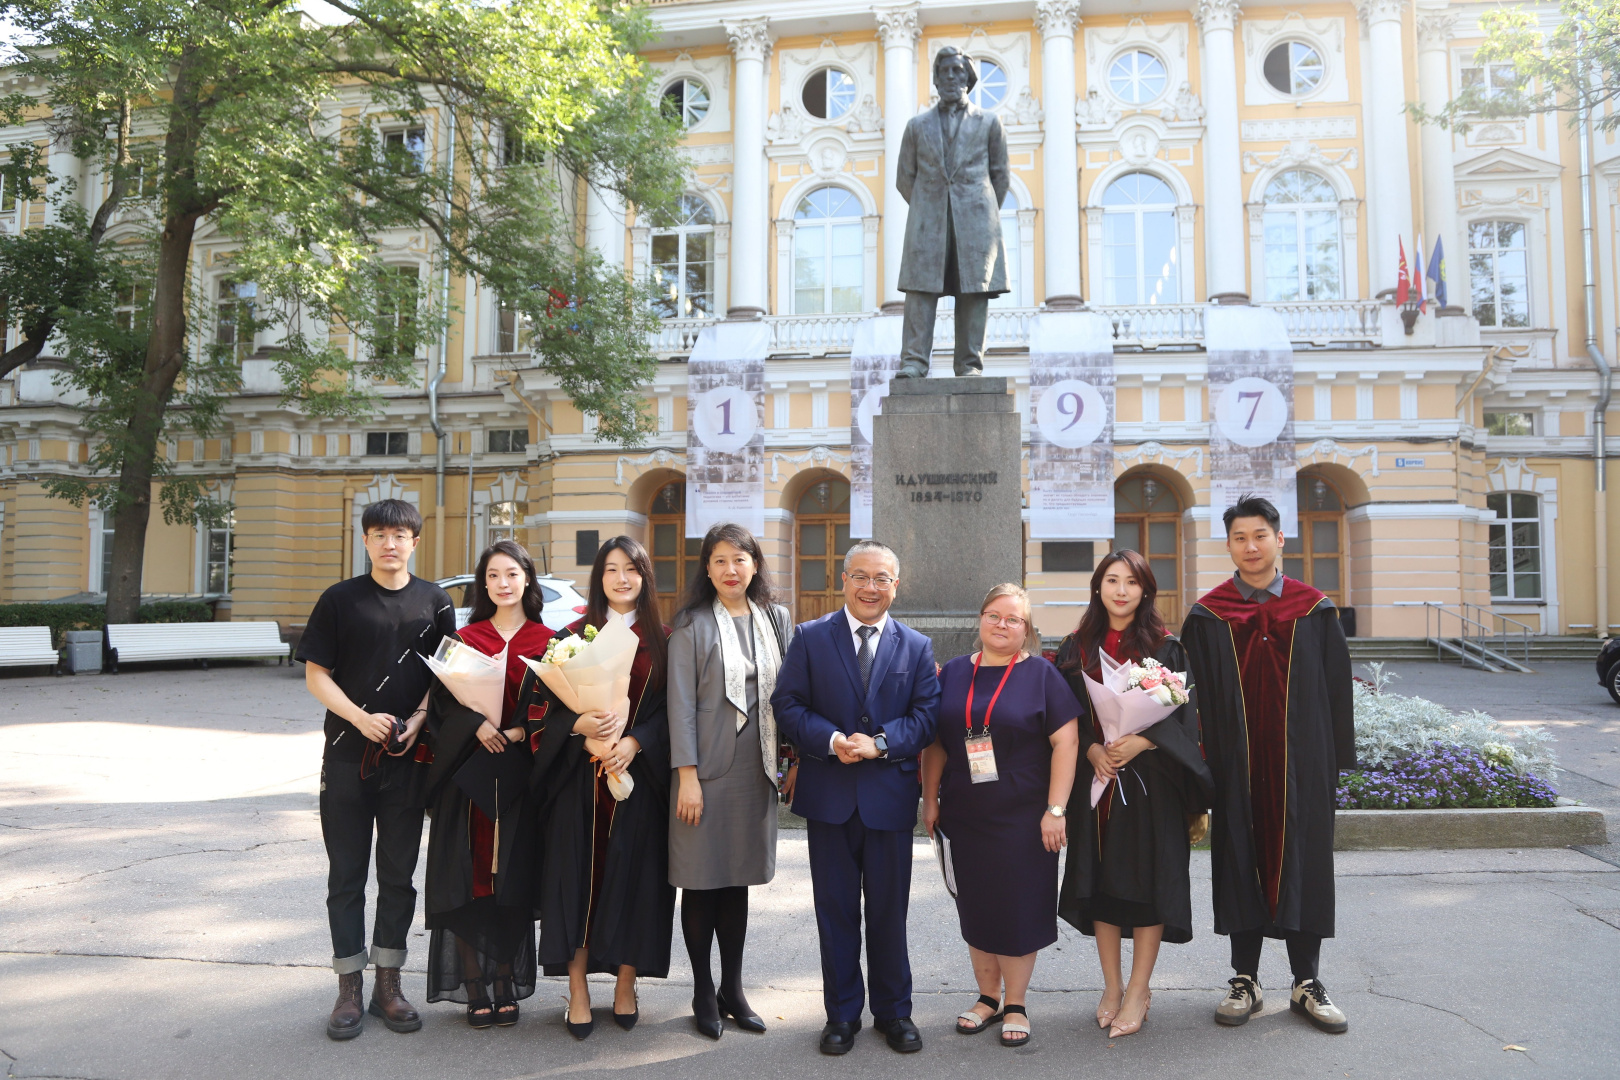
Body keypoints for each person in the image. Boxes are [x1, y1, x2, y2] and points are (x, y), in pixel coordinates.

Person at [1181, 494, 1355, 1034]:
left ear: (1280, 540)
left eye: (1260, 535)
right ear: (1229, 545)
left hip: (1301, 770)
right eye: (1239, 537)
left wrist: (1333, 767)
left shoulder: (1314, 609)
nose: (1250, 546)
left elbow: (1336, 692)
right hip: (1235, 770)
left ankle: (1307, 982)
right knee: (1239, 862)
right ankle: (1245, 979)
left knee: (1304, 864)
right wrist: (1199, 773)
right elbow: (1191, 699)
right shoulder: (1209, 616)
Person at [297, 498, 458, 1040]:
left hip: (407, 762)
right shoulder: (340, 600)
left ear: (416, 541)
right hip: (346, 757)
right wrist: (360, 719)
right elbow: (316, 674)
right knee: (345, 876)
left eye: (400, 535)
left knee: (397, 875)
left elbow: (443, 677)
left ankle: (389, 982)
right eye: (379, 534)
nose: (390, 543)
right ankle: (349, 988)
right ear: (365, 541)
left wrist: (418, 719)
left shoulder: (435, 602)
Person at [772, 540, 941, 1056]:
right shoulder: (810, 637)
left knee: (890, 912)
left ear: (896, 584)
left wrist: (882, 743)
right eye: (861, 576)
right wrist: (830, 739)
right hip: (830, 797)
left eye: (882, 578)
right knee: (836, 912)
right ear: (843, 580)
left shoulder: (916, 646)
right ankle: (841, 1015)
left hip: (888, 799)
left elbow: (927, 715)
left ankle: (894, 1013)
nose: (871, 587)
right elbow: (787, 703)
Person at [1054, 551, 1213, 1039]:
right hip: (1097, 784)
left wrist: (1144, 739)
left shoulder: (1166, 649)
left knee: (1149, 887)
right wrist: (1093, 750)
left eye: (1131, 582)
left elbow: (1186, 715)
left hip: (1153, 787)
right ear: (1098, 586)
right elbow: (1065, 715)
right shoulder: (1076, 648)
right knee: (1100, 883)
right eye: (1111, 580)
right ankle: (1111, 986)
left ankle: (1140, 989)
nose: (1121, 591)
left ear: (1146, 591)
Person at [920, 583, 1080, 1048]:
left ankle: (1016, 1003)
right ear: (980, 619)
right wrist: (929, 800)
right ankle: (987, 997)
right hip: (965, 812)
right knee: (977, 904)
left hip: (1024, 815)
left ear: (1026, 629)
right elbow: (936, 744)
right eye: (994, 615)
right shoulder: (951, 673)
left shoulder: (1042, 675)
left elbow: (1065, 744)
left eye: (1013, 619)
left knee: (1018, 906)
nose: (1002, 625)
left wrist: (1056, 810)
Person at [530, 536, 676, 1039]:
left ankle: (626, 984)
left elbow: (673, 715)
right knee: (574, 884)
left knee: (637, 882)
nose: (621, 578)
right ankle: (577, 990)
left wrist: (635, 742)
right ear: (599, 578)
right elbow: (539, 713)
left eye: (631, 569)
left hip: (639, 783)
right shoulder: (570, 636)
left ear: (644, 577)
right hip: (578, 785)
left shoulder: (664, 640)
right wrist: (578, 728)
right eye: (611, 569)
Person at [667, 522, 792, 1040]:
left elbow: (790, 693)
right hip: (704, 772)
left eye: (739, 559)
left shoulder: (777, 619)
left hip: (755, 768)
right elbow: (681, 708)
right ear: (708, 568)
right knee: (701, 881)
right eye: (719, 560)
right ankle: (701, 988)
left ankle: (733, 988)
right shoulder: (691, 625)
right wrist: (688, 779)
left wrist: (792, 759)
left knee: (735, 881)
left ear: (755, 565)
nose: (730, 570)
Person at [420, 540, 552, 1028]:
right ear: (484, 584)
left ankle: (505, 981)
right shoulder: (465, 638)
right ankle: (474, 984)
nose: (503, 583)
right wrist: (473, 723)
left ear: (528, 580)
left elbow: (557, 712)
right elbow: (439, 707)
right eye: (493, 575)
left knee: (509, 882)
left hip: (518, 779)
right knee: (467, 881)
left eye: (512, 573)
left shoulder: (547, 641)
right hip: (468, 780)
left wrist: (519, 730)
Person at [893, 45, 1011, 379]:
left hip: (976, 220)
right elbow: (905, 179)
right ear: (935, 78)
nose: (950, 76)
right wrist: (927, 209)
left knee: (974, 292)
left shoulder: (989, 122)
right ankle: (914, 362)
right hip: (927, 221)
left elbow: (1000, 176)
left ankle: (970, 365)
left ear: (969, 79)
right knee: (920, 291)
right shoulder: (917, 126)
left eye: (957, 70)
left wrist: (978, 210)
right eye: (943, 70)